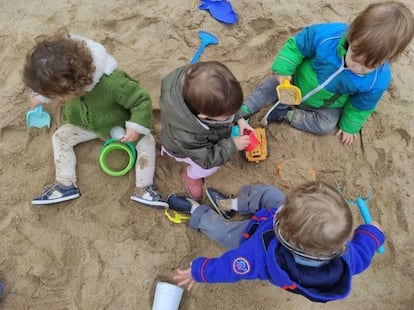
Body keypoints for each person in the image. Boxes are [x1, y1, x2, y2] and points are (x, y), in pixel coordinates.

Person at [167, 181, 385, 302]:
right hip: (295, 229)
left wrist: (199, 271)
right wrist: (373, 233)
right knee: (270, 193)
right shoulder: (347, 258)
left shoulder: (258, 256)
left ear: (285, 233)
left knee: (225, 233)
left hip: (251, 234)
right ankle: (233, 204)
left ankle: (198, 214)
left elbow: (229, 268)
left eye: (284, 208)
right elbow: (364, 250)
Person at [23, 30, 168, 208]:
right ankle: (65, 184)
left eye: (57, 95)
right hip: (85, 123)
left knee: (147, 141)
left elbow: (141, 101)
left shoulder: (113, 84)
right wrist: (41, 95)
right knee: (60, 137)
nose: (57, 99)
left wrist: (136, 127)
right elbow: (51, 82)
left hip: (118, 125)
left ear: (74, 85)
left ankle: (144, 188)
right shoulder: (67, 81)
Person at [240, 1, 414, 145]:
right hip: (293, 83)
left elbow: (360, 106)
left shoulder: (377, 80)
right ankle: (245, 109)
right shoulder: (329, 36)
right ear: (351, 35)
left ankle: (285, 114)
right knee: (270, 86)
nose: (357, 68)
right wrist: (285, 70)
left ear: (388, 59)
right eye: (355, 58)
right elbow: (298, 45)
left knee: (326, 126)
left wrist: (349, 127)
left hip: (324, 105)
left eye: (368, 67)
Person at [159, 61, 253, 200]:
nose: (231, 116)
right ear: (204, 116)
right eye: (227, 116)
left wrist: (240, 119)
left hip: (191, 136)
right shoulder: (187, 135)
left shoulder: (195, 84)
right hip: (182, 149)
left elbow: (225, 101)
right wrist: (233, 145)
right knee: (209, 168)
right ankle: (190, 176)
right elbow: (206, 159)